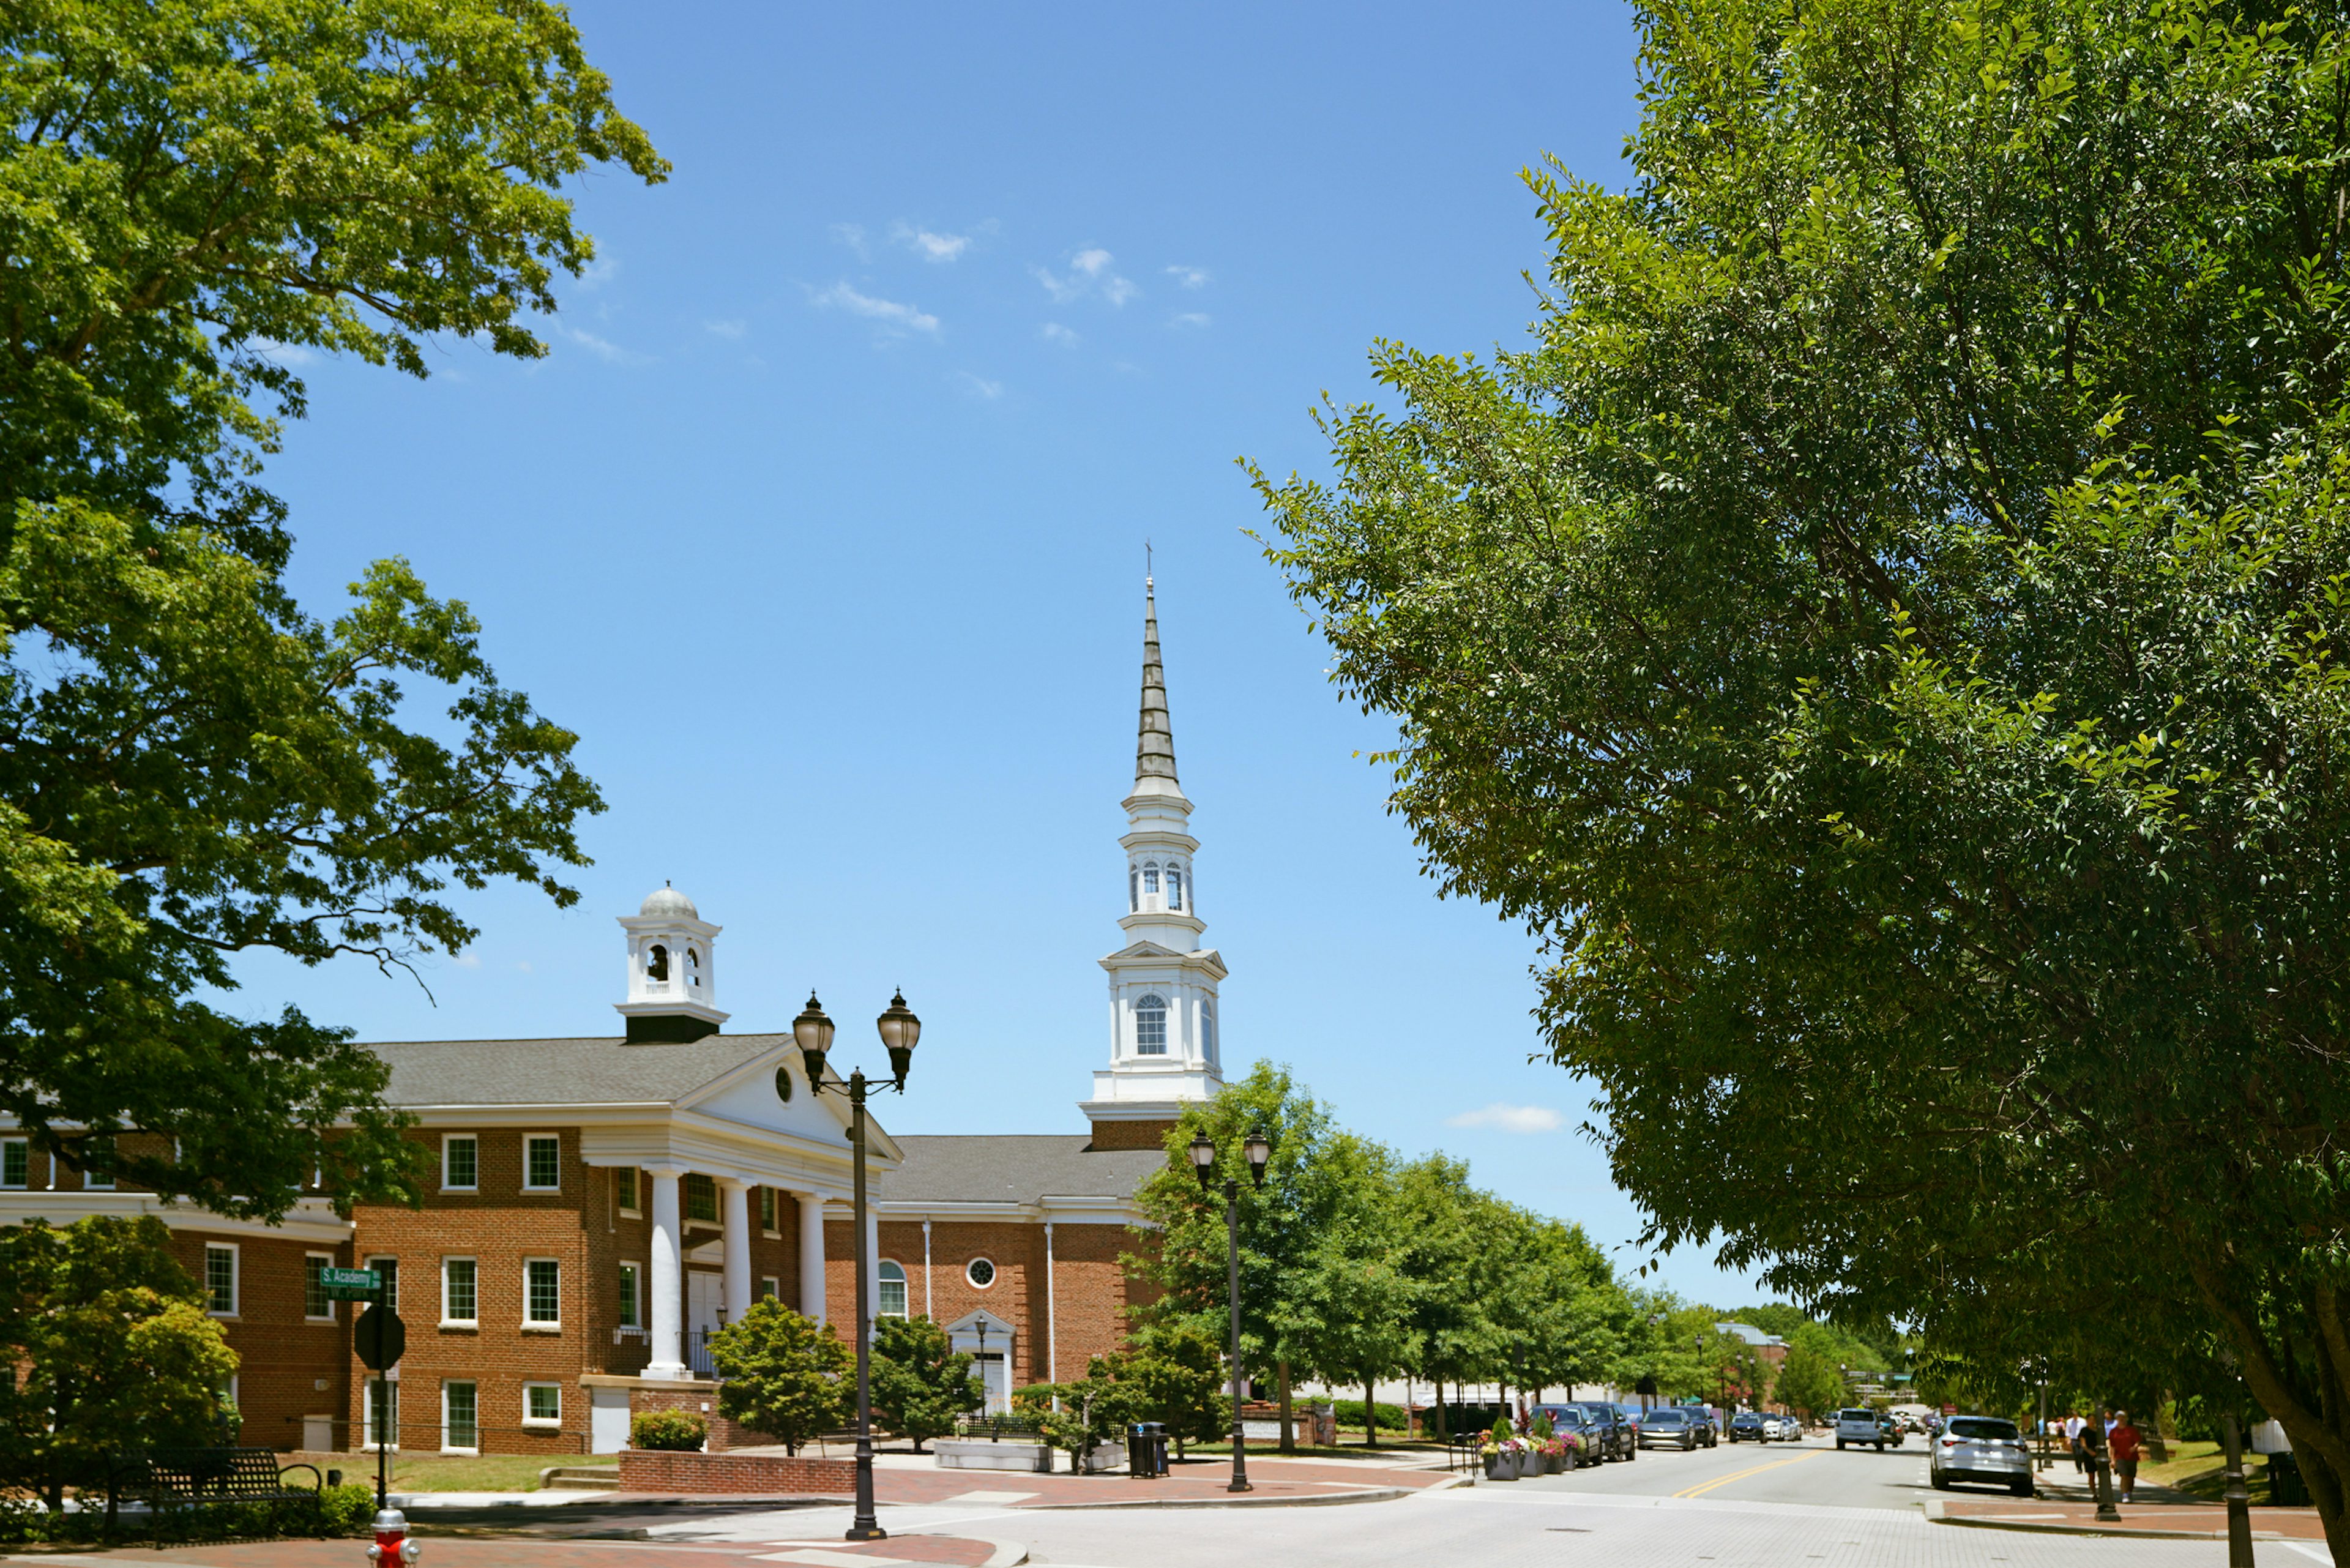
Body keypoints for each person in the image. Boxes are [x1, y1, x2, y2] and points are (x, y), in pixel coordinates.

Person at [2109, 1409, 2143, 1503]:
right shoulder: (2113, 1432)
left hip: (2132, 1457)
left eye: (2123, 1418)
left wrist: (2134, 1447)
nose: (2122, 1420)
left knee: (2131, 1477)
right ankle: (2124, 1495)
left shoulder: (2131, 1430)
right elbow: (2112, 1447)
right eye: (2119, 1418)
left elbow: (2138, 1441)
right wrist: (2112, 1460)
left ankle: (2129, 1492)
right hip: (2120, 1457)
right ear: (2116, 1419)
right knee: (2124, 1476)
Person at [2064, 1410, 2089, 1475]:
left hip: (2082, 1439)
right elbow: (2068, 1432)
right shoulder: (2069, 1422)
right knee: (2077, 1454)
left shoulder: (2083, 1421)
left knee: (2081, 1453)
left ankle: (2083, 1464)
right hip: (2074, 1439)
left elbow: (2086, 1430)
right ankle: (2079, 1468)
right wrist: (2068, 1439)